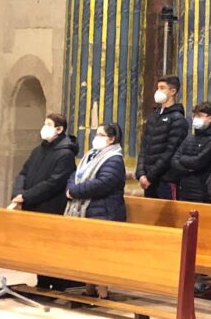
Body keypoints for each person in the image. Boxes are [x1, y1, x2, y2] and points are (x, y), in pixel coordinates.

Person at [12, 113, 78, 291]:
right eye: (45, 123)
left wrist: (26, 196)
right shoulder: (39, 150)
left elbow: (54, 183)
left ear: (59, 129)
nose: (44, 127)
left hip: (50, 206)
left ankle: (55, 285)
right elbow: (23, 173)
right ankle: (41, 282)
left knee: (49, 247)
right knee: (36, 248)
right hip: (33, 204)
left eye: (48, 124)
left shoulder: (65, 154)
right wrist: (18, 192)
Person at [66, 123, 127, 300]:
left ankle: (102, 292)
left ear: (111, 139)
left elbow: (103, 183)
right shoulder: (90, 156)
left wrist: (74, 191)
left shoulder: (114, 159)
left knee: (100, 254)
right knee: (87, 252)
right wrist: (71, 188)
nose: (96, 137)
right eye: (97, 134)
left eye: (101, 135)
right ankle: (89, 289)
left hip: (105, 211)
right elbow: (75, 174)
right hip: (88, 210)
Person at [136, 75, 189, 199]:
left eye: (162, 88)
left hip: (165, 178)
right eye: (158, 88)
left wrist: (150, 176)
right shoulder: (153, 116)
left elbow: (170, 152)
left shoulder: (178, 119)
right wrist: (141, 173)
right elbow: (145, 146)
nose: (158, 91)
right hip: (148, 179)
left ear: (172, 91)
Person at [169, 101, 211, 202]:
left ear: (210, 118)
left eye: (200, 116)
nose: (196, 119)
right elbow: (174, 159)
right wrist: (187, 169)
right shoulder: (190, 138)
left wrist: (183, 159)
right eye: (195, 116)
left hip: (201, 190)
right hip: (184, 187)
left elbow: (198, 161)